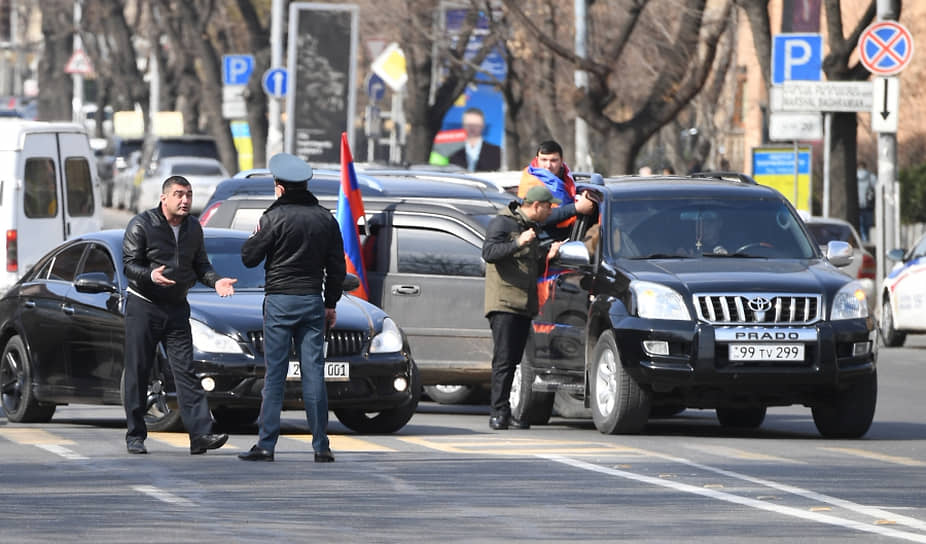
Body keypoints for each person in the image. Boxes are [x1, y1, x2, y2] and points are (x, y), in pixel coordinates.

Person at [238, 153, 345, 463]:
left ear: (279, 187)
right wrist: (330, 304)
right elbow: (337, 268)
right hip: (312, 302)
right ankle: (321, 446)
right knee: (314, 374)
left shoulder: (273, 218)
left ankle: (267, 445)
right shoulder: (326, 218)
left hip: (280, 301)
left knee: (275, 375)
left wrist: (263, 227)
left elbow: (248, 256)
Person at [122, 175, 237, 455]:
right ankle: (135, 435)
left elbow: (201, 266)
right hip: (144, 305)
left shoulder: (193, 228)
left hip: (176, 308)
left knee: (185, 370)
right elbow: (129, 265)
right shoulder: (142, 225)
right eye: (178, 194)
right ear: (164, 198)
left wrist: (216, 281)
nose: (185, 200)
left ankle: (200, 435)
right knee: (139, 370)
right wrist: (150, 275)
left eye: (188, 194)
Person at [483, 184, 565, 430]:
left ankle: (508, 411)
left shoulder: (531, 228)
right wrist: (519, 242)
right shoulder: (503, 223)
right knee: (504, 360)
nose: (550, 213)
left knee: (515, 360)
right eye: (548, 208)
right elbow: (489, 252)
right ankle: (497, 413)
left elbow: (530, 270)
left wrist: (546, 257)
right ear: (536, 206)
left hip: (524, 304)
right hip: (504, 303)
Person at [516, 139, 597, 241]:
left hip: (569, 234)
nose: (548, 166)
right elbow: (539, 217)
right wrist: (576, 208)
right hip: (543, 240)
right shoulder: (531, 181)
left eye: (553, 160)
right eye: (544, 160)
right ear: (537, 159)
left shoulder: (566, 176)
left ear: (561, 161)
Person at [449, 108, 502, 172]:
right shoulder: (454, 152)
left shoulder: (496, 152)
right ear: (463, 125)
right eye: (469, 124)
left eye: (476, 125)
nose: (472, 128)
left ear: (483, 125)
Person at [857, 160, 876, 242]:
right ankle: (866, 239)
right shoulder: (871, 177)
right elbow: (877, 188)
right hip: (868, 205)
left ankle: (862, 238)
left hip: (857, 205)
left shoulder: (853, 176)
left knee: (860, 224)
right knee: (867, 224)